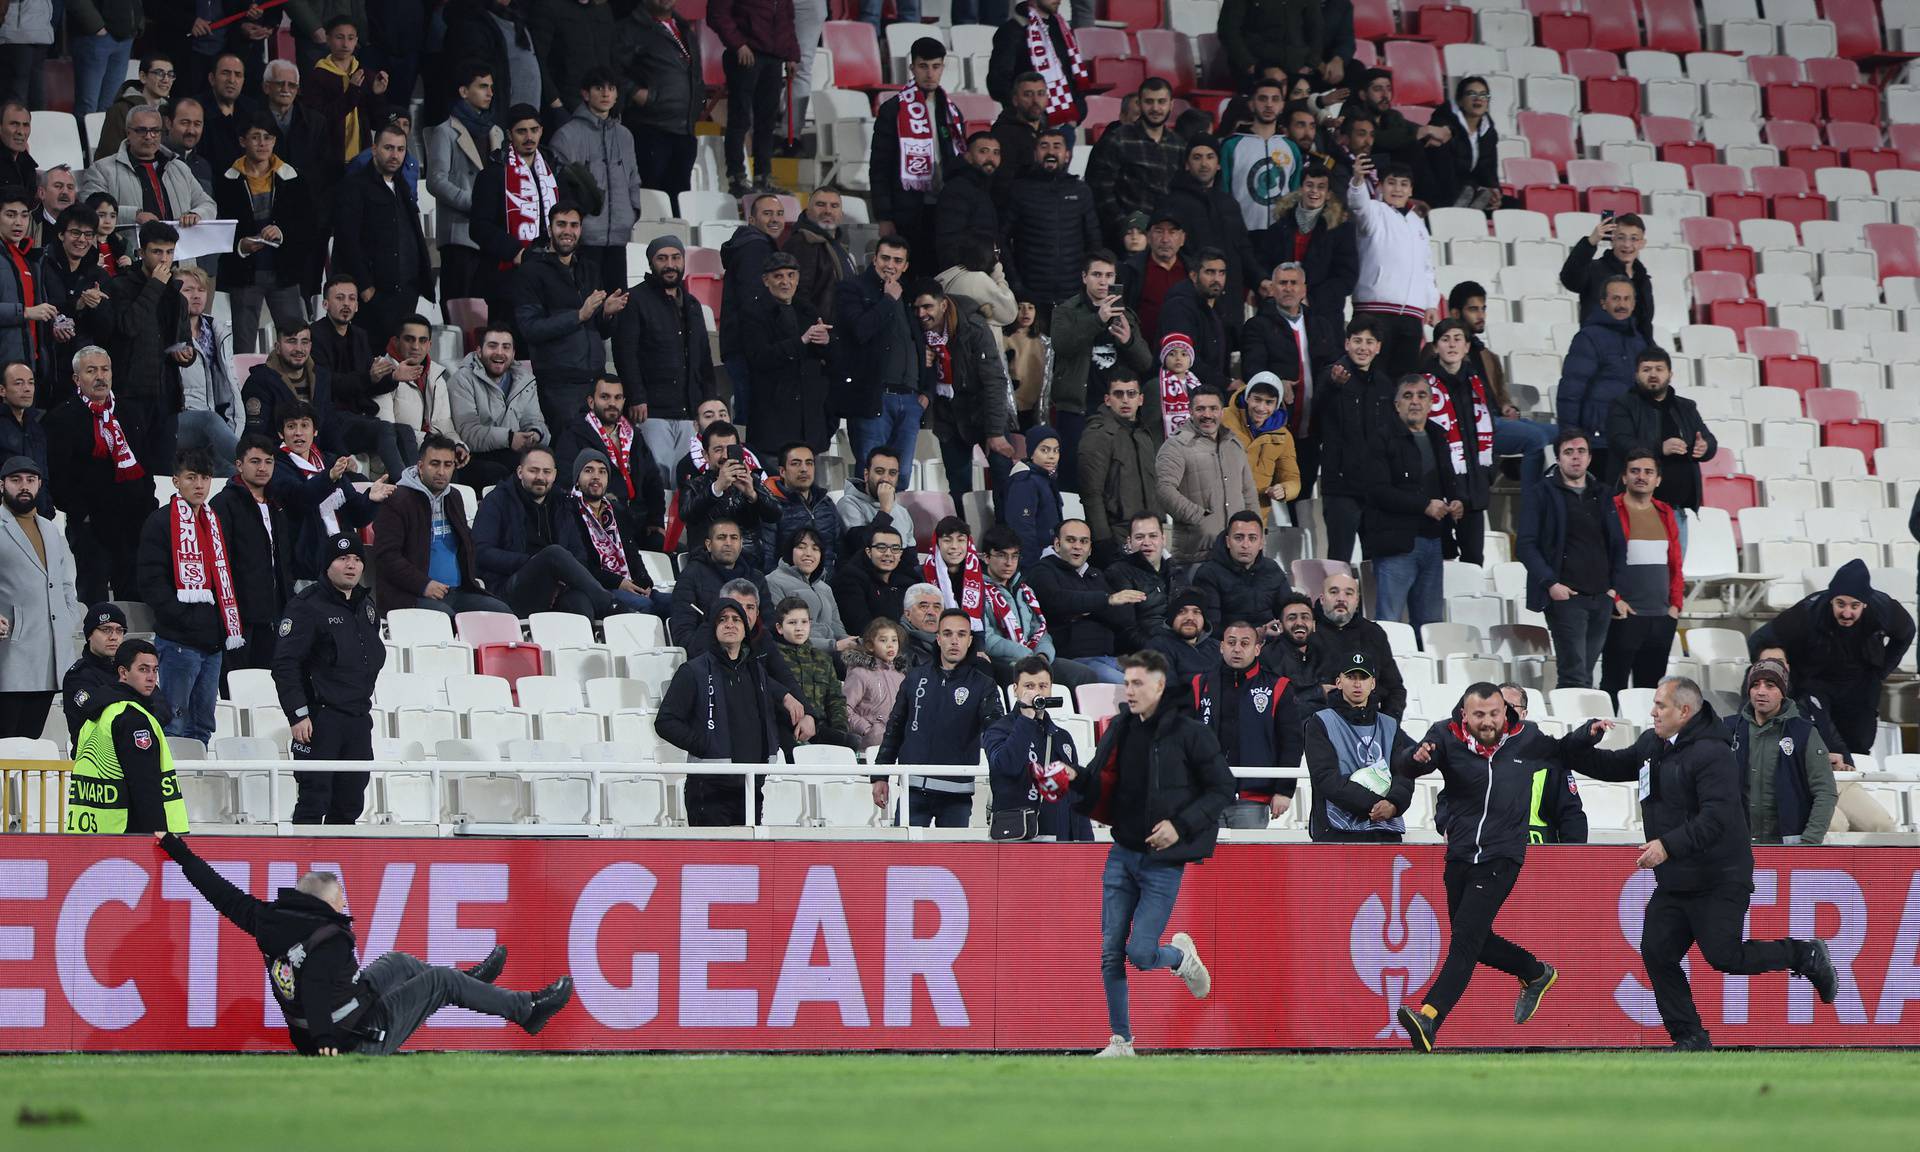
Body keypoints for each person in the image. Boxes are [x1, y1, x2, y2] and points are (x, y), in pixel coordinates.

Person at [1567, 676, 1838, 1050]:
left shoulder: (1714, 754)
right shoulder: (1652, 744)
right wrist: (1582, 740)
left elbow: (1718, 818)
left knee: (1725, 957)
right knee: (1657, 952)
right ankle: (1690, 1037)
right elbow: (1611, 766)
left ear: (1684, 711)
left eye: (1660, 705)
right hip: (1678, 879)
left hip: (1720, 876)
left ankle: (1804, 954)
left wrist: (1667, 845)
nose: (1652, 712)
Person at [158, 830, 572, 1054]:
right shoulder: (331, 939)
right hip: (356, 1037)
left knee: (398, 962)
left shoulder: (268, 919)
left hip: (340, 1017)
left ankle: (468, 984)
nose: (346, 904)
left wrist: (177, 849)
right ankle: (526, 1010)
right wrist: (324, 1040)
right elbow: (317, 988)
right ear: (323, 903)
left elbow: (217, 890)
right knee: (439, 981)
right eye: (341, 898)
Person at [1381, 682, 1570, 1052]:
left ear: (1507, 713)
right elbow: (1406, 766)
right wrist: (1413, 758)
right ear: (1464, 714)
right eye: (1479, 714)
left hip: (1502, 856)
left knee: (1465, 941)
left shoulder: (1526, 739)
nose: (1488, 720)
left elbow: (1568, 753)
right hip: (1461, 854)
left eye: (1495, 713)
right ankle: (1534, 972)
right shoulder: (1445, 735)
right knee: (1475, 941)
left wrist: (1587, 736)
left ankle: (1429, 1017)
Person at [1071, 649, 1230, 1057]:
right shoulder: (1121, 728)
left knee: (1140, 953)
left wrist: (1180, 826)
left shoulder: (1191, 732)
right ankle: (1121, 1041)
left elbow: (1222, 790)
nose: (1129, 690)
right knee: (1110, 950)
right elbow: (1097, 778)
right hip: (1122, 852)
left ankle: (1180, 958)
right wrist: (1073, 779)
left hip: (1163, 862)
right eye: (1127, 683)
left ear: (1160, 685)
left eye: (1138, 683)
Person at [269, 529, 383, 824]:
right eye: (342, 558)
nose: (351, 565)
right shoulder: (306, 605)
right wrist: (297, 714)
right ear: (327, 564)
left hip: (358, 719)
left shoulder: (366, 606)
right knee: (313, 800)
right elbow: (285, 664)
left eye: (357, 559)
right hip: (321, 719)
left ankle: (338, 869)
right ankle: (304, 868)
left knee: (350, 802)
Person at [1749, 559, 1915, 757]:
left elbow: (1906, 634)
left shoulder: (1884, 609)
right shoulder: (1809, 611)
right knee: (1825, 745)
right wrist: (1775, 658)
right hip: (1817, 680)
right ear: (1831, 600)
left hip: (1860, 681)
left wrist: (1882, 670)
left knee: (1859, 745)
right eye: (1840, 604)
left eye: (1854, 606)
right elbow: (1759, 639)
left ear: (1865, 603)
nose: (1847, 612)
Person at [136, 448, 244, 743]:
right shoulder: (160, 522)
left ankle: (199, 786)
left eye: (205, 478)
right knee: (173, 723)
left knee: (203, 725)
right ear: (175, 481)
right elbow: (150, 581)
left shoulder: (214, 523)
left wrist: (221, 628)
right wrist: (183, 618)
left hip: (213, 643)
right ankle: (172, 786)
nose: (199, 485)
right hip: (178, 641)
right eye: (191, 477)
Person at [44, 346, 156, 603]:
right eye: (91, 370)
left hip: (133, 524)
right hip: (90, 528)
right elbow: (58, 477)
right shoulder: (62, 417)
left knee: (135, 598)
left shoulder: (130, 412)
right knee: (93, 598)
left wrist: (147, 507)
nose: (100, 376)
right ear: (76, 379)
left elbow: (146, 465)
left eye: (105, 369)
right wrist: (81, 514)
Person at [874, 608, 1004, 827]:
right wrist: (880, 776)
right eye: (948, 634)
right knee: (905, 858)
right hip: (913, 788)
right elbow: (895, 728)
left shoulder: (984, 685)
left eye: (961, 635)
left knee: (954, 860)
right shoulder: (915, 677)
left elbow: (996, 731)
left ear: (970, 640)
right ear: (938, 638)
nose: (954, 641)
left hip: (957, 794)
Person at [1519, 430, 1624, 691]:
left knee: (1586, 673)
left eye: (1581, 452)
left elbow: (1618, 543)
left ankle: (1583, 727)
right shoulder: (1540, 493)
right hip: (1566, 596)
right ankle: (1575, 729)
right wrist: (1551, 583)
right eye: (1569, 452)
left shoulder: (1603, 493)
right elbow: (1525, 545)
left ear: (1589, 457)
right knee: (1574, 674)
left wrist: (1613, 589)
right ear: (1558, 458)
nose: (1575, 458)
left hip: (1601, 596)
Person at [470, 445, 626, 619]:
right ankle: (613, 607)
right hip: (509, 587)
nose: (540, 477)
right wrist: (533, 562)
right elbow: (481, 552)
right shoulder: (498, 500)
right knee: (553, 554)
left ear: (554, 475)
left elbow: (579, 555)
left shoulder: (563, 503)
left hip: (556, 588)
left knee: (579, 603)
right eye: (533, 471)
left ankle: (584, 644)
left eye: (546, 472)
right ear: (520, 472)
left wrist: (560, 579)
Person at [515, 201, 629, 431]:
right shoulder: (531, 272)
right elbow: (530, 329)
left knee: (598, 459)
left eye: (574, 225)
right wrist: (579, 315)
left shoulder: (590, 269)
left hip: (595, 382)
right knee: (568, 455)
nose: (568, 231)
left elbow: (601, 331)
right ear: (549, 229)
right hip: (558, 386)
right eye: (561, 224)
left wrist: (607, 314)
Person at [371, 434, 511, 619]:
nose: (441, 471)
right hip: (411, 595)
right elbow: (387, 557)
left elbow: (466, 546)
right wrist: (423, 584)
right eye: (434, 464)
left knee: (504, 615)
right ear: (420, 466)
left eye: (448, 464)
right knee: (446, 618)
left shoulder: (454, 497)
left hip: (458, 592)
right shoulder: (397, 500)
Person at [217, 114, 321, 359]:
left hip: (284, 274)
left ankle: (297, 393)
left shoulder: (292, 177)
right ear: (243, 141)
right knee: (243, 346)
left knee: (295, 340)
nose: (262, 143)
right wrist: (240, 246)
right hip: (244, 275)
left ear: (275, 141)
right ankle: (244, 394)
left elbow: (308, 225)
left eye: (268, 137)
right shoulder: (227, 180)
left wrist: (282, 233)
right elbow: (220, 225)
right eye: (255, 137)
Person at [615, 235, 717, 483]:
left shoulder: (692, 304)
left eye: (675, 257)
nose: (670, 264)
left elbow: (703, 358)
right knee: (656, 477)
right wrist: (636, 396)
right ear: (651, 263)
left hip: (689, 412)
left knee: (688, 480)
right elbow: (625, 353)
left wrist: (707, 403)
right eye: (662, 258)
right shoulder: (635, 300)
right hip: (651, 410)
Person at [1362, 375, 1458, 632]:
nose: (1414, 401)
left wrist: (1457, 501)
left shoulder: (1439, 436)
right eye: (1407, 396)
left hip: (1434, 541)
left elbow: (1448, 480)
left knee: (1430, 626)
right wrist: (1424, 505)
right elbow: (1377, 491)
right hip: (1396, 545)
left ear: (1430, 403)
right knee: (1390, 623)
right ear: (1396, 405)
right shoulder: (1381, 438)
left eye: (1421, 395)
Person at [65, 639, 189, 833]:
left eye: (155, 670)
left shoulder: (96, 714)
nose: (151, 678)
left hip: (90, 832)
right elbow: (144, 786)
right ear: (123, 672)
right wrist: (162, 836)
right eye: (143, 669)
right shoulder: (133, 718)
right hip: (130, 835)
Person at [328, 122, 432, 352]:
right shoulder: (354, 186)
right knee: (372, 361)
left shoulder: (402, 186)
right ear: (374, 149)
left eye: (400, 149)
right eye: (388, 148)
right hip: (374, 296)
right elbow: (347, 241)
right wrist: (365, 288)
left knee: (402, 361)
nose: (395, 155)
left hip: (406, 293)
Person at [1053, 252, 1154, 488]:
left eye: (1109, 275)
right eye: (1097, 274)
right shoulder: (1067, 311)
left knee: (1115, 478)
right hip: (1077, 407)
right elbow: (1062, 344)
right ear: (1084, 277)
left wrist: (1129, 341)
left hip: (1115, 409)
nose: (1103, 281)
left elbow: (1145, 363)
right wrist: (1097, 319)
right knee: (1074, 476)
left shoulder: (1125, 313)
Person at [1449, 279, 1556, 498]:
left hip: (1498, 420)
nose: (1481, 315)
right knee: (1535, 438)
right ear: (1456, 313)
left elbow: (1500, 396)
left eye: (1483, 309)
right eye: (1473, 309)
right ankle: (1532, 515)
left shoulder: (1487, 355)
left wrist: (1508, 407)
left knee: (1568, 434)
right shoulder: (1443, 352)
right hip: (1475, 428)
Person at [101, 220, 194, 471]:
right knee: (131, 469)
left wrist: (187, 354)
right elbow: (128, 327)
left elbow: (184, 339)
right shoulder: (120, 287)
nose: (164, 259)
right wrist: (154, 286)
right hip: (130, 393)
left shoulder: (176, 294)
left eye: (169, 252)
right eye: (157, 251)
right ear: (141, 253)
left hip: (167, 394)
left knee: (163, 469)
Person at [1193, 618, 1303, 829]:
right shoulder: (1200, 684)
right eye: (1231, 642)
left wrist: (1284, 790)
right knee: (1207, 862)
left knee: (1245, 862)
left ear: (1257, 649)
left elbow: (1291, 743)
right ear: (1221, 646)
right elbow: (1186, 741)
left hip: (1253, 797)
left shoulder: (1278, 687)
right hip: (1206, 796)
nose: (1237, 649)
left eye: (1245, 643)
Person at [836, 235, 930, 480]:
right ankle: (867, 520)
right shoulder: (853, 288)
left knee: (903, 475)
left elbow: (919, 343)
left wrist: (926, 393)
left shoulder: (909, 295)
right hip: (873, 397)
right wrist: (888, 300)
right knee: (872, 474)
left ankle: (890, 518)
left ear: (906, 265)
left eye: (898, 260)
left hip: (910, 400)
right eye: (886, 258)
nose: (891, 265)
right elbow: (860, 330)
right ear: (874, 259)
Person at [913, 279, 1017, 498]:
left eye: (927, 306)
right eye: (916, 308)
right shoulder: (916, 330)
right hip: (948, 417)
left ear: (943, 305)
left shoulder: (974, 327)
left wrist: (996, 432)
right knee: (958, 487)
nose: (921, 314)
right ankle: (961, 532)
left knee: (1002, 474)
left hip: (983, 412)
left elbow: (994, 380)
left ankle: (1004, 530)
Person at [870, 39, 964, 281]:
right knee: (911, 280)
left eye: (935, 66)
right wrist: (884, 217)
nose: (930, 73)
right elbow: (879, 167)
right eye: (923, 66)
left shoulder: (952, 111)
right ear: (912, 68)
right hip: (907, 210)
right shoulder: (893, 109)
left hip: (944, 209)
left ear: (943, 67)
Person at [268, 401, 392, 582]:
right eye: (291, 426)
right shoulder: (277, 466)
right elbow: (300, 499)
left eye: (305, 425)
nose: (298, 432)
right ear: (281, 433)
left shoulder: (328, 462)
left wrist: (371, 499)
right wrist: (329, 478)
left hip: (342, 559)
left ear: (315, 431)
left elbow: (357, 515)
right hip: (306, 568)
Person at [1605, 347, 1714, 554]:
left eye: (1659, 369)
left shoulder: (1686, 407)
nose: (1653, 374)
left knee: (1674, 576)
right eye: (1646, 369)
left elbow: (1709, 439)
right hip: (1638, 509)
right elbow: (1621, 442)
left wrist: (1705, 447)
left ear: (1670, 374)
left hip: (1676, 510)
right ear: (1636, 374)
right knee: (1639, 574)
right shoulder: (1622, 405)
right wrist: (1659, 448)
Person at [307, 275, 415, 480]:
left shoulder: (359, 335)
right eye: (340, 298)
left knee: (405, 431)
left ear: (357, 306)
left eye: (352, 299)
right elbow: (329, 384)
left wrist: (393, 377)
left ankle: (417, 487)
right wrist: (369, 377)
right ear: (325, 304)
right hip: (331, 420)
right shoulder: (314, 336)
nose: (346, 304)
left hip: (358, 418)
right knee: (383, 429)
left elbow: (370, 381)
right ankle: (406, 489)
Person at [0, 456, 78, 739]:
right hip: (9, 654)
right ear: (2, 485)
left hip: (49, 653)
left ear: (39, 485)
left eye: (30, 480)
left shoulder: (50, 528)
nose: (24, 486)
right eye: (16, 480)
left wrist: (69, 618)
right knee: (6, 745)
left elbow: (66, 580)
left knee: (31, 744)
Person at [549, 67, 647, 292]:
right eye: (599, 88)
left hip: (619, 238)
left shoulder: (625, 136)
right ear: (585, 94)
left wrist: (632, 212)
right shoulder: (567, 135)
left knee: (617, 306)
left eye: (611, 89)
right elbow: (561, 189)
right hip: (584, 240)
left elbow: (634, 179)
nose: (605, 94)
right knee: (588, 304)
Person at [1726, 657, 1837, 846]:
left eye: (1770, 685)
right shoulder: (1728, 728)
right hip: (1735, 847)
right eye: (1755, 685)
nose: (1761, 691)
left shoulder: (1804, 733)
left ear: (1782, 692)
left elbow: (1825, 791)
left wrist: (1810, 841)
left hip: (1789, 850)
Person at [207, 434, 294, 674]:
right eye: (255, 461)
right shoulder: (223, 503)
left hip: (274, 612)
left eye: (268, 462)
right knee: (237, 683)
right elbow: (219, 561)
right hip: (238, 616)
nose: (263, 468)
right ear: (239, 465)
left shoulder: (276, 504)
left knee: (267, 685)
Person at [1600, 446, 1683, 698]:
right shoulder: (1609, 509)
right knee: (1614, 687)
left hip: (1661, 616)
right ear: (1624, 477)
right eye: (1634, 471)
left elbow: (1675, 564)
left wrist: (1675, 606)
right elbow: (1600, 561)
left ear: (1657, 480)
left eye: (1648, 472)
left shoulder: (1665, 511)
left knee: (1649, 694)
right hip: (1625, 615)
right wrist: (1615, 600)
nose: (1641, 476)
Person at [1153, 135, 1263, 324]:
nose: (1204, 163)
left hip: (1230, 300)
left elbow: (1244, 250)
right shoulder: (1172, 203)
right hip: (1193, 298)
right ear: (1186, 164)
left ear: (1219, 164)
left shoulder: (1229, 203)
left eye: (1210, 157)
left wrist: (1260, 280)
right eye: (1197, 157)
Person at [983, 656, 1093, 841]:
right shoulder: (998, 730)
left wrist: (1086, 841)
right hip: (1017, 837)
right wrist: (1026, 719)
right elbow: (1006, 766)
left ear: (1051, 689)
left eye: (1042, 686)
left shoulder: (1062, 737)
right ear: (1015, 689)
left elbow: (1075, 795)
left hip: (1059, 839)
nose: (1036, 693)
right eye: (1029, 686)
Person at [978, 523, 1100, 689]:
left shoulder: (1025, 590)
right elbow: (987, 639)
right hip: (1005, 662)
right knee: (1031, 681)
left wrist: (1043, 655)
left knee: (1085, 675)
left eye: (1014, 556)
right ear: (986, 557)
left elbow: (1041, 630)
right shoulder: (977, 592)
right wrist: (1025, 655)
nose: (1009, 563)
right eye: (1001, 555)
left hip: (1035, 659)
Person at [1345, 156, 1435, 380]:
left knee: (1403, 381)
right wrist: (1357, 180)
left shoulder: (1417, 221)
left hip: (1412, 315)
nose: (1397, 189)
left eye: (1404, 184)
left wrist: (1431, 303)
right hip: (1375, 310)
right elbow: (1358, 205)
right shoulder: (1374, 211)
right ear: (1380, 186)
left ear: (1411, 189)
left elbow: (1427, 267)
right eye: (1392, 182)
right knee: (1371, 376)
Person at [553, 373, 665, 551]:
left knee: (664, 547)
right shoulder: (574, 434)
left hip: (637, 521)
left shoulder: (633, 435)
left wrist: (656, 521)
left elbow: (653, 480)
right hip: (597, 520)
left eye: (618, 397)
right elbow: (566, 479)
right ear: (591, 402)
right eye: (605, 397)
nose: (612, 403)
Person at [424, 63, 503, 312]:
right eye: (482, 86)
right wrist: (478, 204)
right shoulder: (444, 132)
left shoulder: (497, 132)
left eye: (491, 87)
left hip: (490, 237)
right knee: (460, 310)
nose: (489, 92)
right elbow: (436, 180)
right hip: (460, 237)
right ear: (463, 91)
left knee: (487, 311)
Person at [1314, 316, 1392, 563]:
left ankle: (1372, 603)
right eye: (1357, 340)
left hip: (1375, 489)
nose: (1363, 347)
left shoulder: (1383, 383)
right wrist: (1333, 386)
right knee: (1339, 559)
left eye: (1370, 342)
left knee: (1376, 560)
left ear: (1378, 347)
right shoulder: (1332, 375)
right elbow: (1316, 415)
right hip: (1341, 488)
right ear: (1347, 343)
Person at [1027, 518, 1142, 684]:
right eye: (1070, 540)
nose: (1077, 546)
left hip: (1110, 657)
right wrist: (1104, 601)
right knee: (1129, 686)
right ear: (1058, 544)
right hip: (1074, 659)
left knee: (1157, 681)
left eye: (1084, 541)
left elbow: (1125, 617)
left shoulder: (1095, 574)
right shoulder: (1042, 571)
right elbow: (1057, 601)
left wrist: (1087, 606)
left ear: (1090, 549)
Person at [618, 0, 706, 218]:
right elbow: (613, 69)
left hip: (684, 129)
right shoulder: (631, 28)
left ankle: (674, 248)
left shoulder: (684, 28)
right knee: (651, 201)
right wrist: (637, 94)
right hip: (650, 129)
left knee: (678, 203)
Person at [743, 251, 834, 460]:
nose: (786, 282)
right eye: (778, 276)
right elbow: (759, 357)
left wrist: (826, 342)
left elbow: (828, 359)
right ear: (766, 281)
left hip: (809, 424)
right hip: (773, 424)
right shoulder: (754, 313)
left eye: (791, 275)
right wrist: (800, 341)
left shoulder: (808, 310)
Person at [1002, 128, 1103, 313]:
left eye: (1057, 146)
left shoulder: (1081, 191)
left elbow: (1094, 242)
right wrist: (1015, 282)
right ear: (1035, 154)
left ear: (1067, 155)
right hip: (1030, 296)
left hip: (1073, 294)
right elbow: (1002, 240)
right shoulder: (1019, 190)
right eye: (1044, 146)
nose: (1050, 152)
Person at [1558, 276, 1647, 480]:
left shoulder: (1639, 341)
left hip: (1631, 441)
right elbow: (1571, 391)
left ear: (1634, 304)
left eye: (1627, 299)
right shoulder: (1588, 337)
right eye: (1616, 299)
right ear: (1603, 303)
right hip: (1597, 442)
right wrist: (1571, 439)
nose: (1622, 304)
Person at [1156, 386, 1258, 566]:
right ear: (1190, 411)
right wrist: (1199, 518)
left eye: (1213, 408)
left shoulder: (1234, 445)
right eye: (1200, 409)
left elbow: (1248, 493)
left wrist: (1254, 535)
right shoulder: (1175, 446)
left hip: (1236, 556)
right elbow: (1164, 490)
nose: (1207, 414)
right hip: (1196, 555)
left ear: (1222, 411)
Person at [1421, 320, 1493, 565]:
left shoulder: (1477, 383)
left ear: (1466, 346)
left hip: (1473, 489)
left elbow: (1489, 430)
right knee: (1441, 560)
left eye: (1457, 338)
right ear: (1435, 347)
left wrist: (1488, 475)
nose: (1451, 344)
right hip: (1438, 490)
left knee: (1474, 561)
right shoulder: (1422, 386)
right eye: (1445, 339)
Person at [707, 0, 795, 196]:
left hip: (774, 57)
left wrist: (791, 54)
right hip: (745, 55)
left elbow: (787, 20)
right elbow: (717, 14)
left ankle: (763, 177)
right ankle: (737, 177)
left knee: (767, 121)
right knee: (740, 119)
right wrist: (738, 44)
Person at [1085, 79, 1184, 249]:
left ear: (1171, 104)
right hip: (1125, 240)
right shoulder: (1118, 139)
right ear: (1139, 103)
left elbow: (1180, 193)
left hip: (1166, 241)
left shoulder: (1179, 144)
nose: (1155, 108)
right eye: (1149, 101)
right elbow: (1100, 191)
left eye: (1161, 102)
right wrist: (1126, 227)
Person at [79, 105, 217, 227]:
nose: (149, 136)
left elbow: (208, 204)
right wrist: (134, 216)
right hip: (129, 253)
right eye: (141, 130)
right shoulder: (102, 169)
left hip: (178, 252)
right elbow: (90, 208)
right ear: (128, 132)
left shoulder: (179, 167)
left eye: (155, 131)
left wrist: (196, 214)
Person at [446, 325, 548, 489]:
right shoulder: (462, 380)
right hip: (474, 456)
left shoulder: (526, 380)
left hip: (514, 452)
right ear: (479, 351)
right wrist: (509, 438)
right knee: (505, 474)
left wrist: (535, 434)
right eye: (492, 346)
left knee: (548, 468)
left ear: (513, 354)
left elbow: (534, 419)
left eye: (506, 347)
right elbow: (468, 433)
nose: (499, 352)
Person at [1076, 371, 1160, 567]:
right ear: (1107, 399)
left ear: (1140, 399)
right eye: (1118, 394)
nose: (1125, 400)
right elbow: (1091, 493)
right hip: (1116, 535)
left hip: (1147, 534)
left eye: (1131, 394)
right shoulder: (1098, 434)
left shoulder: (1144, 433)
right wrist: (1102, 541)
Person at [718, 193, 787, 428]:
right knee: (753, 419)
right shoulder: (755, 247)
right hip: (749, 349)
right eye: (767, 214)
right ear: (752, 219)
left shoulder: (754, 245)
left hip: (743, 347)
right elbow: (753, 300)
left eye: (779, 214)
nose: (775, 219)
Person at [677, 419, 778, 569]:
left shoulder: (752, 480)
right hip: (707, 567)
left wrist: (753, 495)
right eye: (718, 450)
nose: (725, 456)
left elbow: (776, 514)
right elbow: (686, 514)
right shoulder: (694, 485)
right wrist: (716, 489)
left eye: (730, 449)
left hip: (750, 565)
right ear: (705, 455)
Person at [986, 0, 1087, 144]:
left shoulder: (1062, 29)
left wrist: (1073, 119)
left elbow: (1073, 76)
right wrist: (1027, 117)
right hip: (1025, 131)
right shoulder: (1012, 30)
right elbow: (998, 83)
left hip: (1064, 128)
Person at [36, 208, 112, 399]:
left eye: (88, 234)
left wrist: (95, 306)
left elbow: (107, 329)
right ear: (61, 234)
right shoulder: (40, 267)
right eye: (76, 233)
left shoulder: (99, 275)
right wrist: (76, 305)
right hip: (48, 365)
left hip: (84, 368)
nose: (82, 240)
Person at [669, 515, 772, 652]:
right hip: (709, 657)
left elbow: (769, 623)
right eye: (721, 537)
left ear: (741, 544)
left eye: (734, 538)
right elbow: (683, 634)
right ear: (709, 545)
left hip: (753, 656)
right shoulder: (691, 576)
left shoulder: (756, 578)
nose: (728, 543)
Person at [1315, 571, 1407, 718]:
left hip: (1370, 722)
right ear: (1322, 599)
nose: (1341, 599)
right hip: (1320, 722)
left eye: (1349, 593)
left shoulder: (1374, 633)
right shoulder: (1306, 633)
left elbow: (1395, 689)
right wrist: (1318, 693)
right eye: (1334, 592)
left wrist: (1388, 726)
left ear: (1357, 600)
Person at [301, 17, 388, 174]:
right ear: (328, 39)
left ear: (356, 41)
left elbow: (378, 122)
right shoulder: (317, 76)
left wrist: (378, 95)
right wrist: (353, 90)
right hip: (329, 159)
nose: (345, 44)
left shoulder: (365, 74)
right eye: (339, 37)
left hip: (363, 157)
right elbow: (322, 119)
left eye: (350, 38)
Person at [1218, 78, 1304, 236]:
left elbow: (1295, 194)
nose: (1269, 105)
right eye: (1263, 99)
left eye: (1275, 99)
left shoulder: (1291, 148)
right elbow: (1222, 193)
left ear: (1282, 105)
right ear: (1251, 104)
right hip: (1242, 235)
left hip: (1281, 236)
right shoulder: (1231, 146)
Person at [771, 597, 854, 749]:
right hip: (786, 732)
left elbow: (835, 699)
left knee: (851, 742)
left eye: (804, 622)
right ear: (779, 628)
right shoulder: (772, 658)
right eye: (792, 622)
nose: (799, 628)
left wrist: (839, 732)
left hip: (822, 732)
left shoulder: (823, 658)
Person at [1191, 510, 1293, 632]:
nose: (1245, 545)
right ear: (1228, 542)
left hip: (1272, 644)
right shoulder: (1208, 574)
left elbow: (1289, 612)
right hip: (1228, 646)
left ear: (1261, 543)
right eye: (1238, 538)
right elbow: (1210, 628)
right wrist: (1257, 635)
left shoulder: (1272, 569)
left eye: (1252, 538)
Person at [1561, 212, 1653, 344]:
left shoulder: (1643, 280)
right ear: (1612, 240)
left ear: (1642, 243)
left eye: (1634, 239)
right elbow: (1570, 280)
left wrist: (1650, 352)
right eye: (1621, 238)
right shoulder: (1594, 269)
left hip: (1633, 355)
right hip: (1597, 350)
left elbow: (1645, 325)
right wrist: (1590, 242)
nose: (1627, 244)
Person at [767, 526, 856, 654]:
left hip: (832, 652)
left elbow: (837, 627)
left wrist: (853, 643)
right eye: (801, 547)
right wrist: (834, 645)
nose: (808, 553)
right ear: (789, 551)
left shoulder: (825, 588)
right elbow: (782, 633)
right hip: (797, 655)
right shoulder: (772, 581)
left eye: (815, 548)